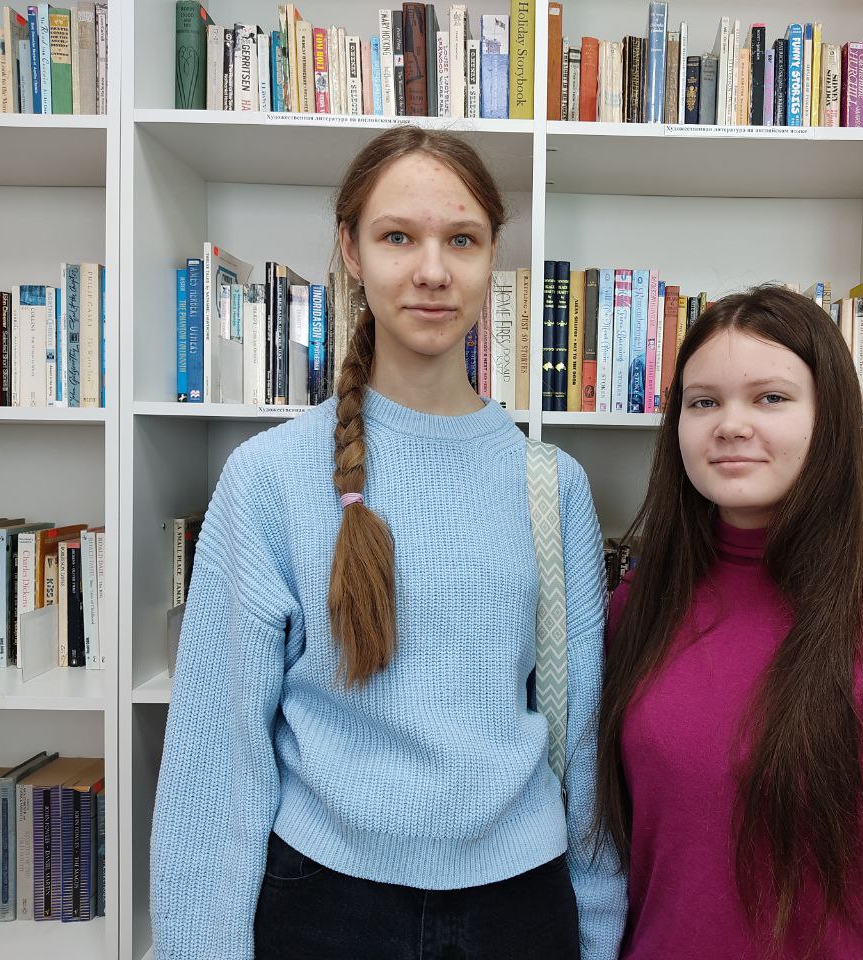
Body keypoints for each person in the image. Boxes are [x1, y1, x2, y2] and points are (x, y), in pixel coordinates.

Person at [151, 126, 625, 960]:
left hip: (523, 907)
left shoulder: (553, 487)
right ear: (351, 251)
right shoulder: (268, 478)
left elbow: (582, 741)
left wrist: (597, 929)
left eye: (462, 240)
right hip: (324, 905)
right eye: (398, 236)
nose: (432, 270)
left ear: (493, 256)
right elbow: (215, 761)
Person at [598, 286, 863, 959]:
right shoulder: (640, 603)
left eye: (770, 398)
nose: (730, 425)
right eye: (703, 402)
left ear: (831, 420)